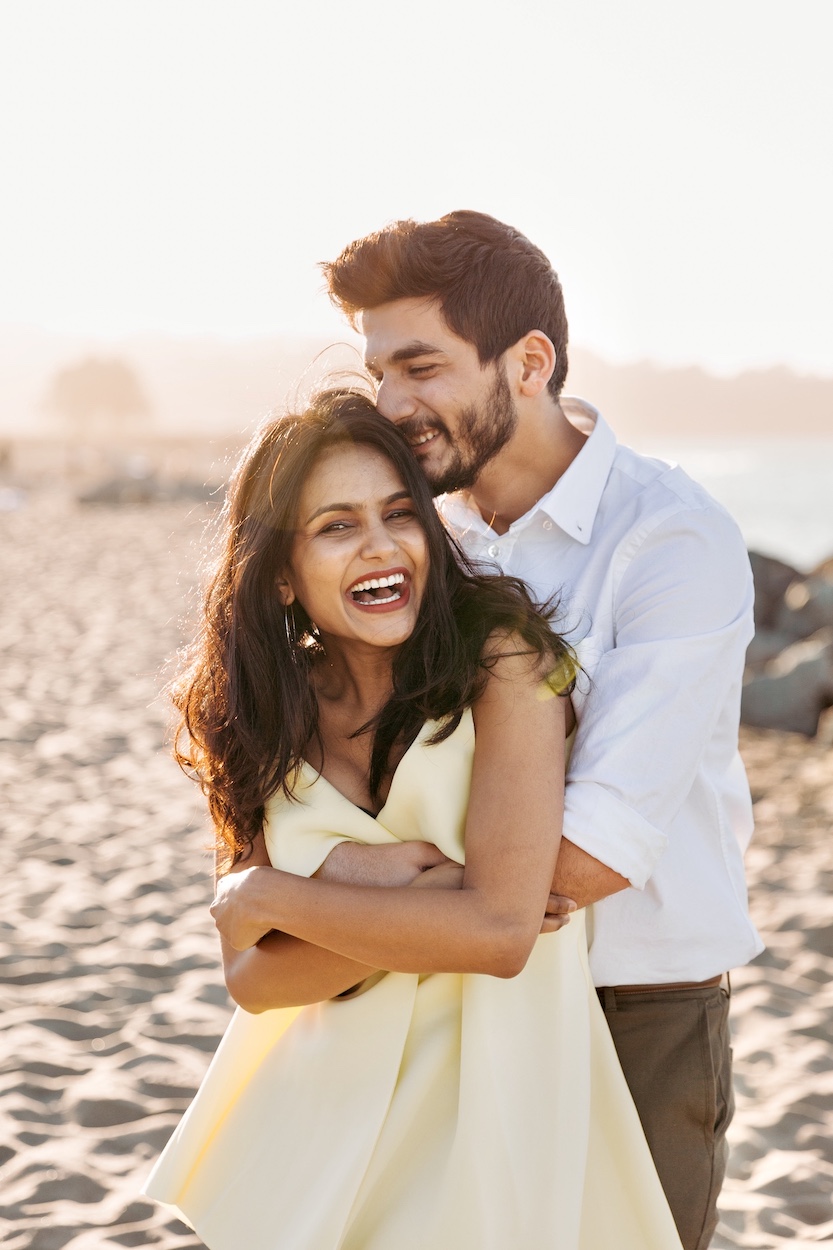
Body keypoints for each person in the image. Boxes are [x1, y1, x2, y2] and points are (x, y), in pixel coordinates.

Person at [144, 389, 683, 1250]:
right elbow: (252, 982)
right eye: (335, 526)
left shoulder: (505, 663)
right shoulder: (251, 712)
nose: (380, 545)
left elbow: (501, 936)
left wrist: (276, 893)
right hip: (319, 1116)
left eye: (399, 512)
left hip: (491, 1106)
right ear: (280, 572)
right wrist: (419, 894)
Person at [319, 211, 764, 1250]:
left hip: (632, 1013)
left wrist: (351, 889)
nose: (390, 404)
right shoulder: (419, 541)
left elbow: (595, 850)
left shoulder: (670, 536)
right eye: (377, 370)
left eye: (419, 365)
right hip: (441, 999)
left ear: (528, 362)